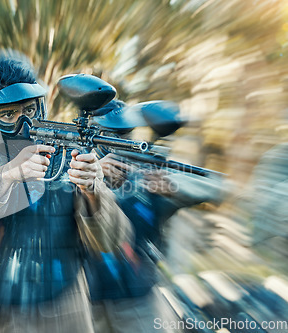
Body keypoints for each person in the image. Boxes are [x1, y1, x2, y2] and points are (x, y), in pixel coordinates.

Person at [0, 51, 132, 332]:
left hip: (61, 314)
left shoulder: (70, 157)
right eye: (8, 114)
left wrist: (91, 190)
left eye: (29, 110)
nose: (23, 123)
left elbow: (110, 241)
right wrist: (7, 176)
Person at [83, 99, 223, 333]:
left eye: (125, 133)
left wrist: (172, 186)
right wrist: (93, 175)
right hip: (85, 300)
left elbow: (215, 185)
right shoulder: (72, 170)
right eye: (111, 134)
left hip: (140, 298)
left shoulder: (149, 172)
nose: (121, 141)